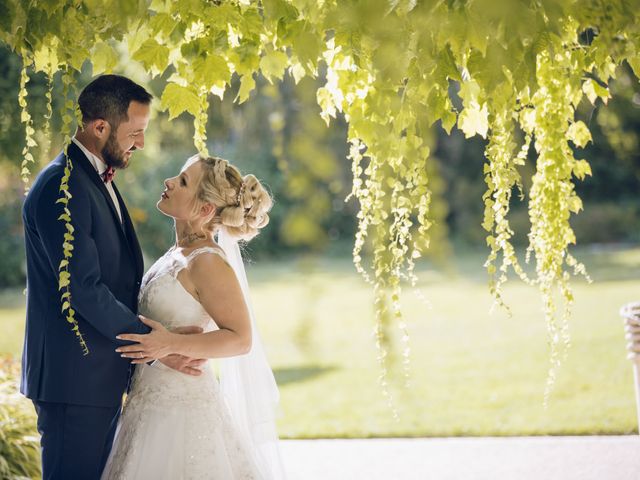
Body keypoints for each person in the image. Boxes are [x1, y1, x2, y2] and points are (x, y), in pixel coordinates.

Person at [21, 75, 204, 479]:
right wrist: (158, 346)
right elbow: (83, 289)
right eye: (134, 133)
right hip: (75, 380)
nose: (140, 143)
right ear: (99, 127)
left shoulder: (91, 178)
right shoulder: (61, 186)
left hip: (96, 378)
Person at [101, 154, 286, 479]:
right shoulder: (178, 253)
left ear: (204, 210)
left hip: (182, 413)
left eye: (183, 181)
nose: (168, 182)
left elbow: (240, 339)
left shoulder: (207, 262)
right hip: (147, 406)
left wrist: (168, 344)